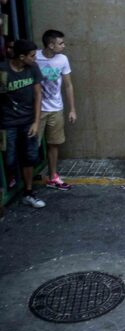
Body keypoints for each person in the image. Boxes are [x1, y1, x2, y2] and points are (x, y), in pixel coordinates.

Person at [1, 40, 45, 208]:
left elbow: (38, 95)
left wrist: (36, 122)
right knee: (9, 158)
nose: (35, 58)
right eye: (32, 56)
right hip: (8, 122)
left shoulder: (32, 68)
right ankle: (10, 184)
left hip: (27, 120)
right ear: (21, 57)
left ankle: (28, 191)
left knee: (30, 157)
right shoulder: (4, 70)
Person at [35, 30, 77, 191]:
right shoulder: (35, 57)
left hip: (56, 108)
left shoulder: (62, 59)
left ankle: (53, 176)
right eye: (61, 43)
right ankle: (28, 179)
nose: (64, 46)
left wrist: (72, 109)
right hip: (38, 110)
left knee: (54, 143)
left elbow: (68, 85)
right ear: (51, 45)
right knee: (33, 145)